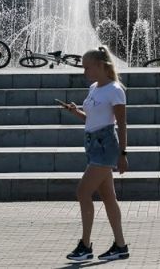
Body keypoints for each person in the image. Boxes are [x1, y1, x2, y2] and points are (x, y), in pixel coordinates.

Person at [64, 46, 130, 262]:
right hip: (92, 144)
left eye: (87, 67)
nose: (84, 72)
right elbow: (92, 119)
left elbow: (121, 124)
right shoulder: (94, 87)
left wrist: (123, 153)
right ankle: (120, 246)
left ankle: (85, 245)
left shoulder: (115, 89)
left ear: (101, 66)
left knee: (83, 192)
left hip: (105, 145)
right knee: (109, 197)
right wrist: (76, 112)